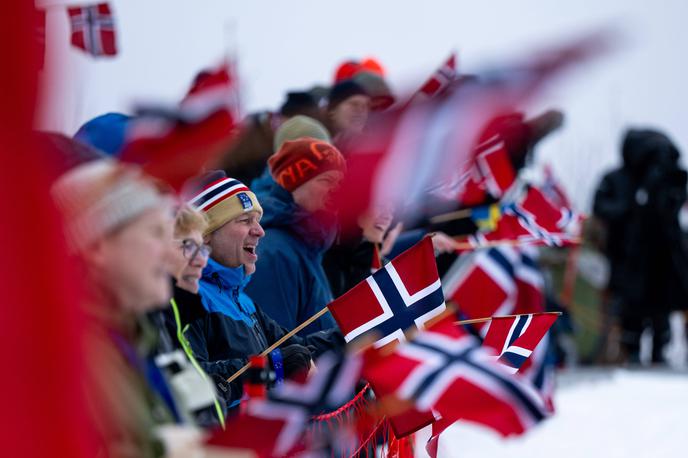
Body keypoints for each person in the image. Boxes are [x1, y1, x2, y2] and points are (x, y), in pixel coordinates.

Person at [51, 159, 183, 457]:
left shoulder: (133, 337)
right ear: (97, 247)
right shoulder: (69, 359)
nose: (171, 252)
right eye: (155, 233)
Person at [185, 172, 344, 413]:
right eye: (245, 220)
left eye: (257, 220)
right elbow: (193, 385)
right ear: (206, 234)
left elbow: (296, 351)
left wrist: (352, 334)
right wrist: (275, 369)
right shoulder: (190, 298)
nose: (259, 231)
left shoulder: (242, 300)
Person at [593, 128, 688, 364]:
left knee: (660, 310)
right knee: (631, 309)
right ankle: (631, 352)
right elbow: (600, 207)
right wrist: (628, 209)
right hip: (628, 256)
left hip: (663, 257)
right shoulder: (616, 179)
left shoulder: (667, 176)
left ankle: (659, 351)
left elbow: (675, 207)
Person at [245, 138, 346, 335]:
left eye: (341, 183)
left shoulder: (309, 244)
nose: (336, 191)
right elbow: (277, 348)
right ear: (293, 182)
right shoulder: (273, 252)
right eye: (326, 180)